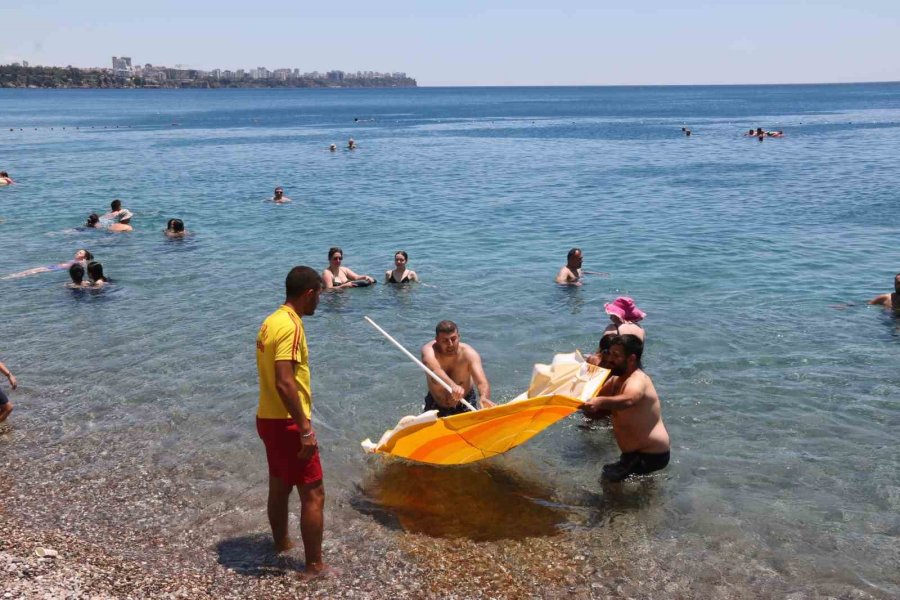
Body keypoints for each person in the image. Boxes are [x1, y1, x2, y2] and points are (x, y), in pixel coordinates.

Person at [255, 266, 334, 579]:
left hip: (268, 417)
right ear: (309, 293)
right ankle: (314, 566)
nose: (319, 304)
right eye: (319, 297)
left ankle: (281, 545)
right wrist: (305, 429)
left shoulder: (270, 322)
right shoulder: (291, 326)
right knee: (313, 494)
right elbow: (285, 381)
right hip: (289, 422)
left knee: (279, 485)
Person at [580, 335, 670, 482]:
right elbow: (594, 396)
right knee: (628, 480)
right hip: (634, 453)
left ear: (631, 359)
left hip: (651, 453)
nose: (610, 359)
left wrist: (600, 402)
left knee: (608, 478)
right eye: (610, 353)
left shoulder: (637, 380)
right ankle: (644, 500)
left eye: (616, 356)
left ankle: (613, 505)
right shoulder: (617, 379)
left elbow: (629, 399)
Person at [420, 320, 494, 417]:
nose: (450, 344)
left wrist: (484, 397)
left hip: (464, 403)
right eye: (445, 340)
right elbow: (435, 370)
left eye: (453, 339)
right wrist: (453, 385)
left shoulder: (469, 354)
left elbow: (481, 382)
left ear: (459, 337)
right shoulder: (429, 351)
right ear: (437, 340)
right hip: (436, 404)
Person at [2, 249, 93, 280]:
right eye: (78, 252)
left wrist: (84, 262)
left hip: (55, 269)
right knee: (32, 270)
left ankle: (11, 277)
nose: (77, 253)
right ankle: (13, 276)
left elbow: (84, 266)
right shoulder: (74, 260)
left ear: (84, 257)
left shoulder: (81, 262)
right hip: (54, 267)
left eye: (80, 253)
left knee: (34, 271)